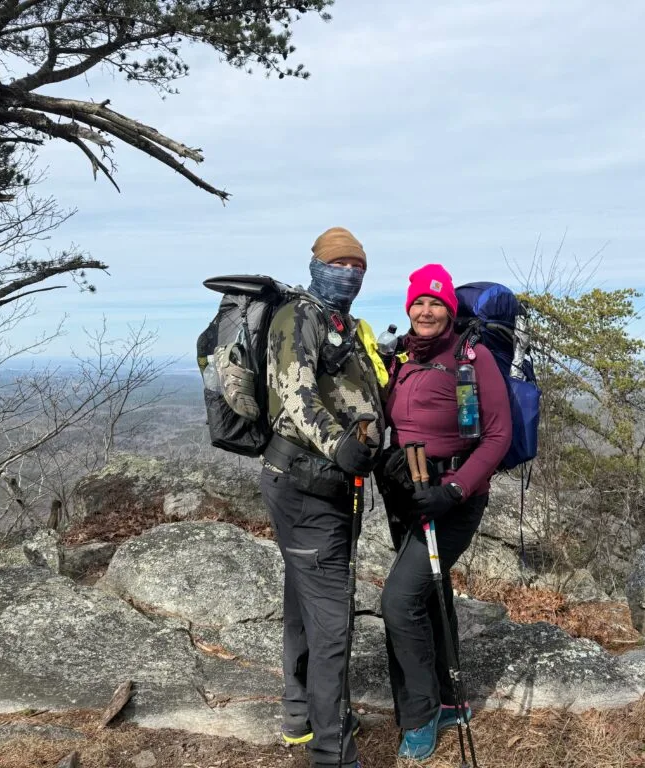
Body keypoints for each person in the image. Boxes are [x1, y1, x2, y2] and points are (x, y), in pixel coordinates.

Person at [260, 226, 386, 768]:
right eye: (339, 264)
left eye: (359, 266)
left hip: (325, 485)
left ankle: (301, 716)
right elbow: (296, 392)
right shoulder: (299, 317)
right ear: (316, 265)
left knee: (304, 601)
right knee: (333, 620)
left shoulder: (346, 327)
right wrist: (340, 447)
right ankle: (332, 753)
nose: (350, 274)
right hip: (307, 483)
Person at [377, 263, 512, 761]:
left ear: (449, 311)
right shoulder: (402, 359)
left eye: (436, 303)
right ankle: (452, 700)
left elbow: (499, 435)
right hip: (406, 492)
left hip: (452, 499)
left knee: (398, 601)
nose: (426, 310)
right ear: (408, 308)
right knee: (430, 596)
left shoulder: (471, 358)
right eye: (419, 302)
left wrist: (453, 489)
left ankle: (420, 715)